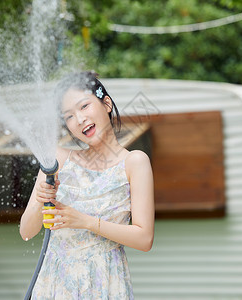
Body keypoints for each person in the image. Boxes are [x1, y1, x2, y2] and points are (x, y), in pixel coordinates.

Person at [19, 71, 154, 299]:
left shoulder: (134, 162)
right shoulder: (57, 159)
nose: (79, 119)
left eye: (84, 106)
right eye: (69, 116)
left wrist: (87, 222)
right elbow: (26, 232)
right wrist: (40, 202)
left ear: (106, 104)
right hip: (55, 284)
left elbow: (144, 239)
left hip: (105, 284)